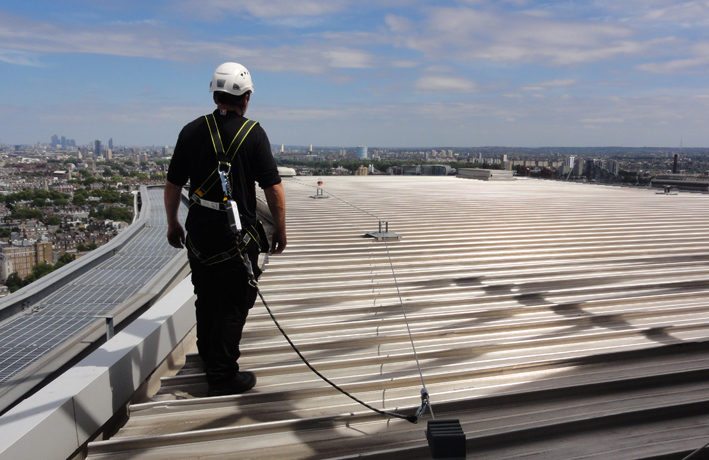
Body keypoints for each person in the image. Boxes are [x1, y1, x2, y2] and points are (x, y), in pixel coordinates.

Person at [164, 62, 286, 397]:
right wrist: (281, 231)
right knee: (234, 301)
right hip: (237, 234)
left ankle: (209, 357)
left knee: (206, 295)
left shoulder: (191, 131)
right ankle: (221, 374)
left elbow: (173, 184)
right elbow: (273, 189)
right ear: (246, 98)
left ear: (215, 94)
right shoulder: (253, 134)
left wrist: (173, 223)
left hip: (199, 232)